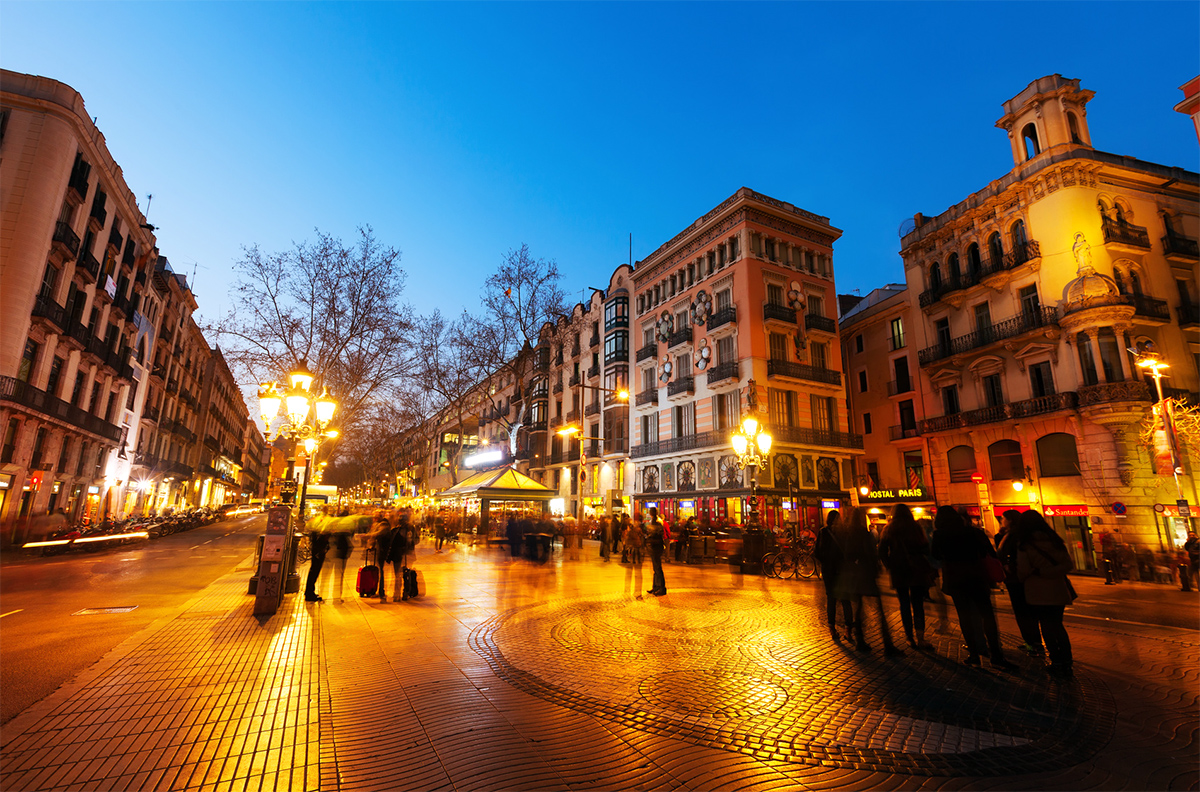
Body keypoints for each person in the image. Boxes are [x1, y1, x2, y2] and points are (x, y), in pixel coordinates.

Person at [931, 506, 1017, 671]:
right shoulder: (973, 532)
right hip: (977, 576)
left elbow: (935, 555)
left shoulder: (939, 534)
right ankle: (996, 655)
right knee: (987, 615)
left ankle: (974, 655)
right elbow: (991, 553)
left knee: (965, 617)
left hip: (955, 578)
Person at [834, 507, 902, 656]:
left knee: (859, 610)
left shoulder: (849, 534)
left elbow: (848, 554)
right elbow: (869, 552)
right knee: (879, 611)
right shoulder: (863, 534)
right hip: (866, 574)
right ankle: (887, 643)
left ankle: (860, 639)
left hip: (856, 575)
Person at [1015, 510, 1075, 677]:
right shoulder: (1055, 541)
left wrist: (1039, 572)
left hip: (1037, 592)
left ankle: (1056, 662)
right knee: (1058, 626)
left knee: (1047, 628)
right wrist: (1051, 572)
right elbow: (1068, 564)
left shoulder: (1024, 545)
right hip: (1058, 590)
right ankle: (1067, 662)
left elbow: (1023, 571)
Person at [878, 504, 935, 650]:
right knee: (918, 604)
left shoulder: (889, 528)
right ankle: (921, 637)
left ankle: (909, 637)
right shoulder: (915, 527)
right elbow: (925, 547)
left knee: (904, 604)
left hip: (899, 570)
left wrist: (890, 564)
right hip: (915, 569)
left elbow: (882, 551)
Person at [995, 509, 1044, 657]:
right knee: (1026, 610)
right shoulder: (1010, 534)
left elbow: (1008, 553)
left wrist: (1011, 566)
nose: (1001, 520)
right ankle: (1032, 641)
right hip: (1016, 577)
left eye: (1003, 518)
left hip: (1016, 578)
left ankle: (1033, 642)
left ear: (1010, 520)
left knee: (1022, 610)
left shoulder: (1015, 535)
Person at [815, 510, 852, 643]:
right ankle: (848, 630)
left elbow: (817, 552)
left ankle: (832, 628)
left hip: (829, 571)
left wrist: (825, 562)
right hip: (842, 570)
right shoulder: (845, 532)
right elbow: (850, 551)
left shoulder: (823, 532)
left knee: (831, 599)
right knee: (845, 600)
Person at [305, 509, 332, 603]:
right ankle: (309, 593)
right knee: (315, 570)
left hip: (316, 548)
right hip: (319, 549)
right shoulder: (322, 528)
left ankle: (309, 592)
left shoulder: (315, 523)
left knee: (313, 570)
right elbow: (324, 535)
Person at [623, 515, 646, 600]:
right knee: (637, 574)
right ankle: (636, 592)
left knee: (631, 573)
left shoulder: (634, 531)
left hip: (634, 554)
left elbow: (627, 542)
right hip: (636, 554)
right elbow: (642, 543)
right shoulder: (639, 531)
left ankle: (629, 591)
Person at [646, 507, 667, 596]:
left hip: (656, 546)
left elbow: (658, 533)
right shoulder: (654, 521)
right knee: (655, 568)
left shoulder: (657, 521)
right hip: (654, 546)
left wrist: (650, 534)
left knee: (658, 568)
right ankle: (655, 586)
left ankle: (662, 588)